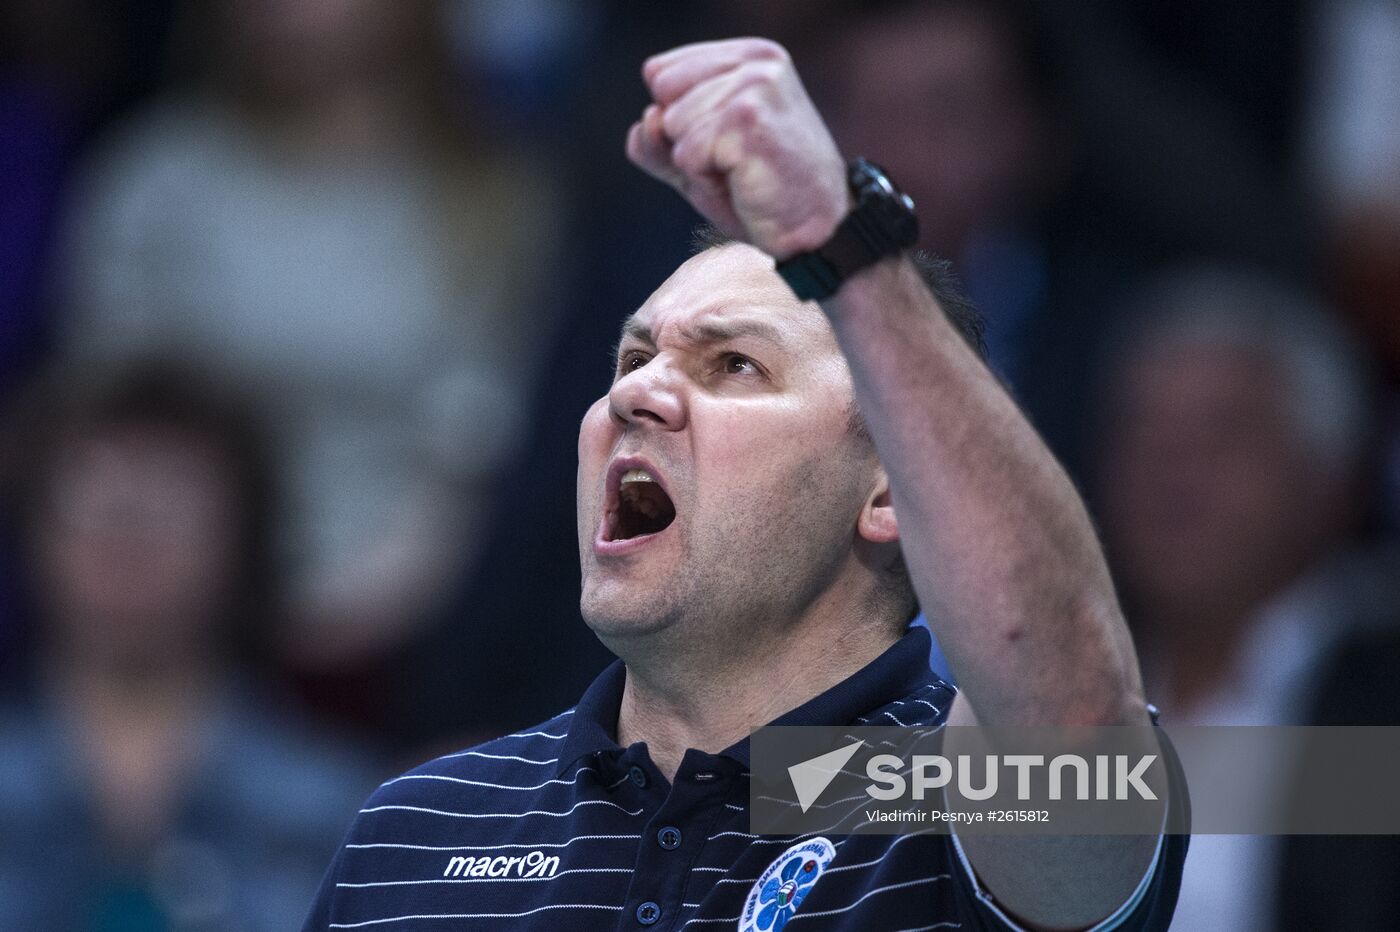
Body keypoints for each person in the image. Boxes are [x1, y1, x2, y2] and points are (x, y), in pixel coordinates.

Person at [305, 38, 1185, 930]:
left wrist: (839, 238)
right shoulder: (408, 831)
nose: (636, 392)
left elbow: (1071, 700)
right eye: (636, 357)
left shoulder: (955, 796)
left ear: (892, 494)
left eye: (734, 365)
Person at [0, 363, 378, 930]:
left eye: (170, 509)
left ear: (243, 542)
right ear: (36, 534)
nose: (127, 543)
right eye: (97, 506)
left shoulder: (343, 815)